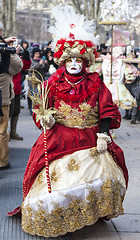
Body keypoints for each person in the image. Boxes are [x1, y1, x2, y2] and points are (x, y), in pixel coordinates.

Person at [8, 5, 128, 238]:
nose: (74, 64)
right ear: (64, 61)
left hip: (90, 137)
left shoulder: (95, 82)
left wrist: (104, 134)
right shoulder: (53, 82)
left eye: (79, 60)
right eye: (70, 60)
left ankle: (86, 213)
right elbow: (40, 107)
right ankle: (59, 214)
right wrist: (46, 119)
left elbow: (107, 110)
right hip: (59, 136)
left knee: (101, 177)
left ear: (86, 61)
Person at [0, 22, 23, 170]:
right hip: (2, 97)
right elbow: (17, 67)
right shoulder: (4, 50)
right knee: (2, 130)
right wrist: (12, 52)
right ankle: (2, 161)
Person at [9, 43, 31, 140]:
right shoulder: (9, 58)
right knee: (8, 113)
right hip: (9, 90)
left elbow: (25, 66)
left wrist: (26, 58)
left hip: (17, 90)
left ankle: (13, 132)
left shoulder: (18, 59)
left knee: (16, 112)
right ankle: (5, 133)